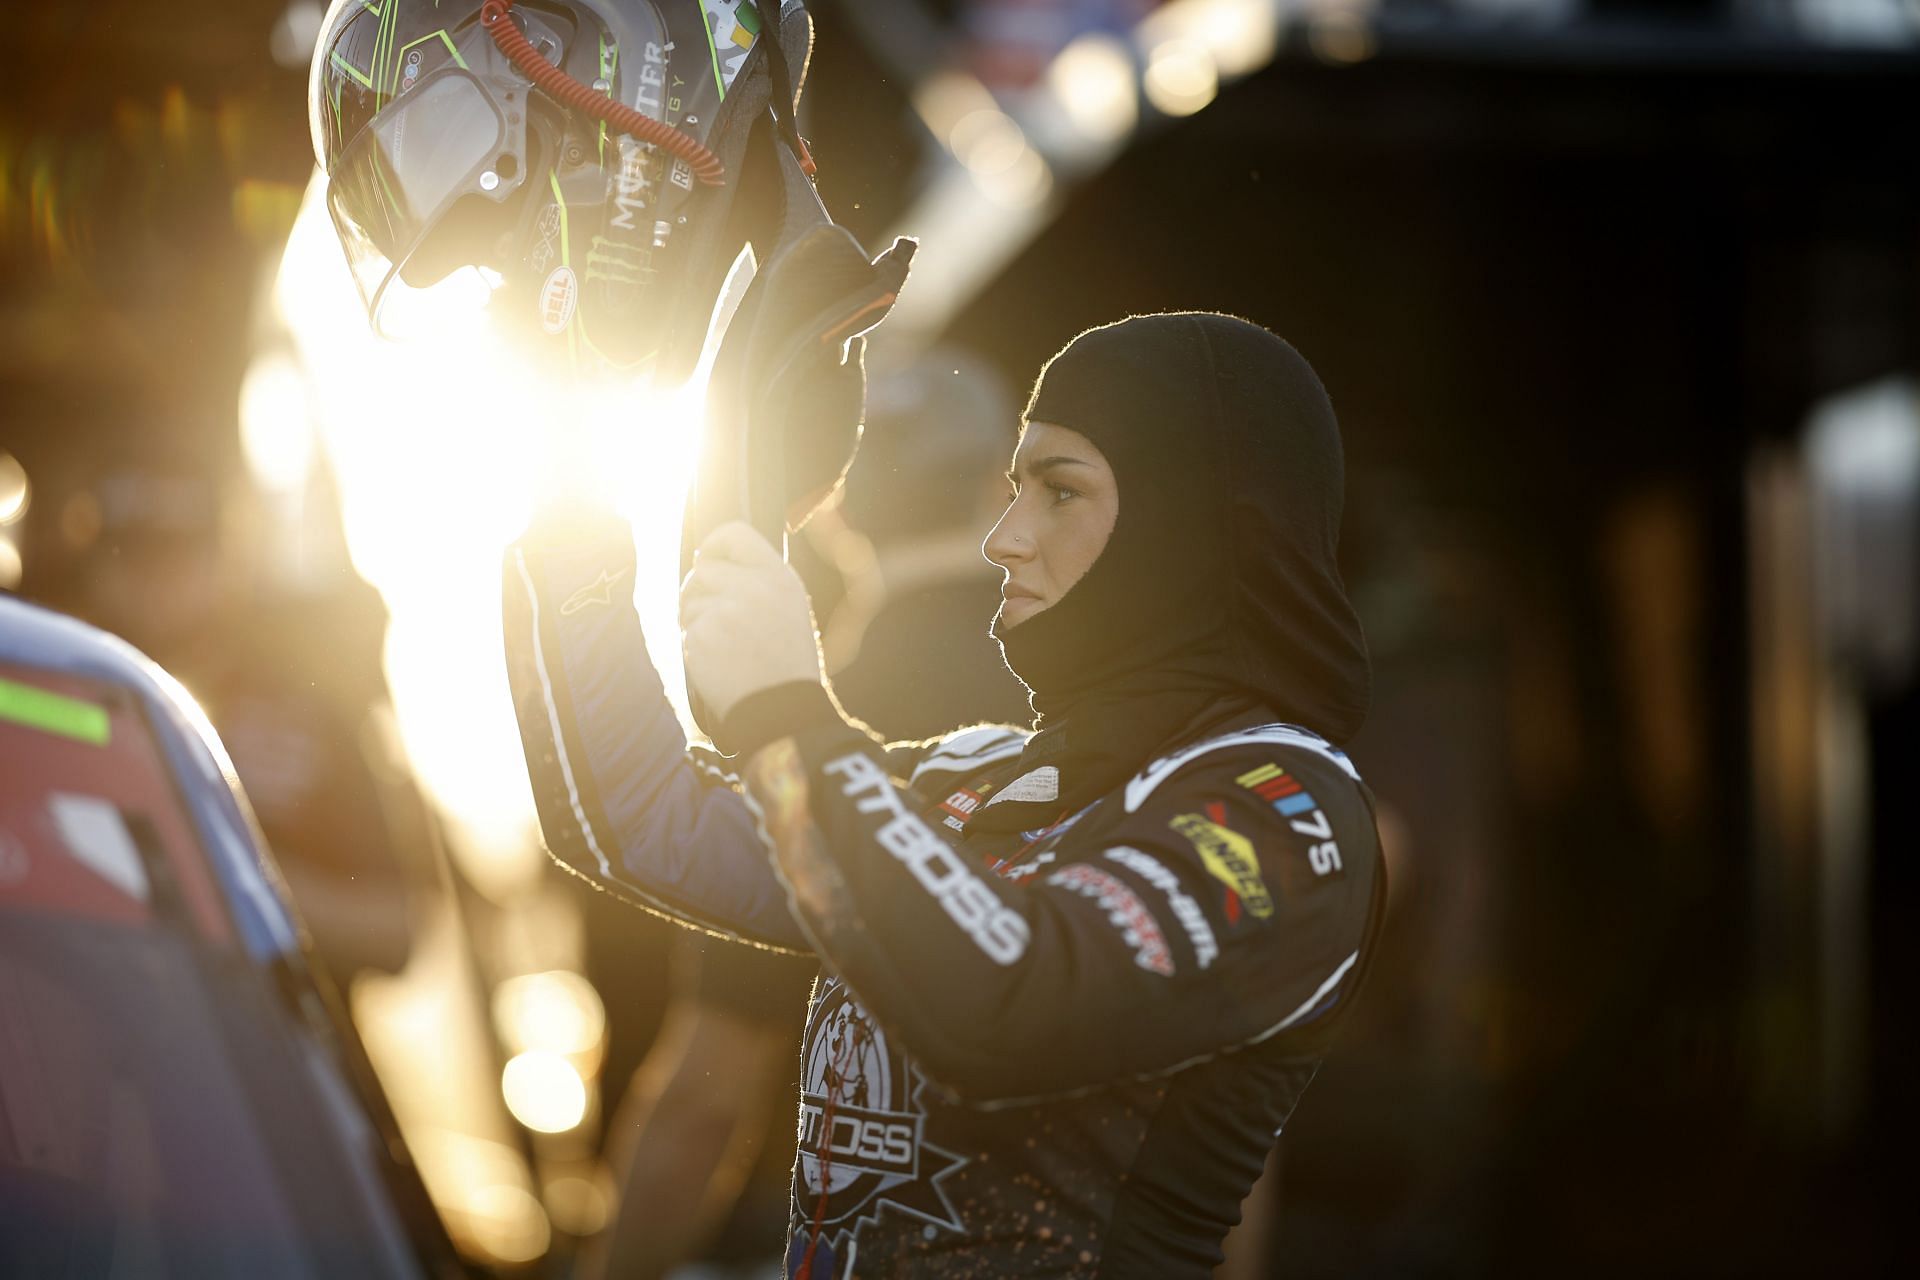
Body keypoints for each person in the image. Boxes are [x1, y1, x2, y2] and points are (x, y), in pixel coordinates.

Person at [503, 312, 1386, 1277]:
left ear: (1191, 521)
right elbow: (640, 823)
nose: (1004, 538)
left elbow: (1011, 1000)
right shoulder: (980, 771)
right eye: (1012, 490)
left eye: (1058, 492)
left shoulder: (1288, 804)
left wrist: (789, 713)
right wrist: (576, 476)